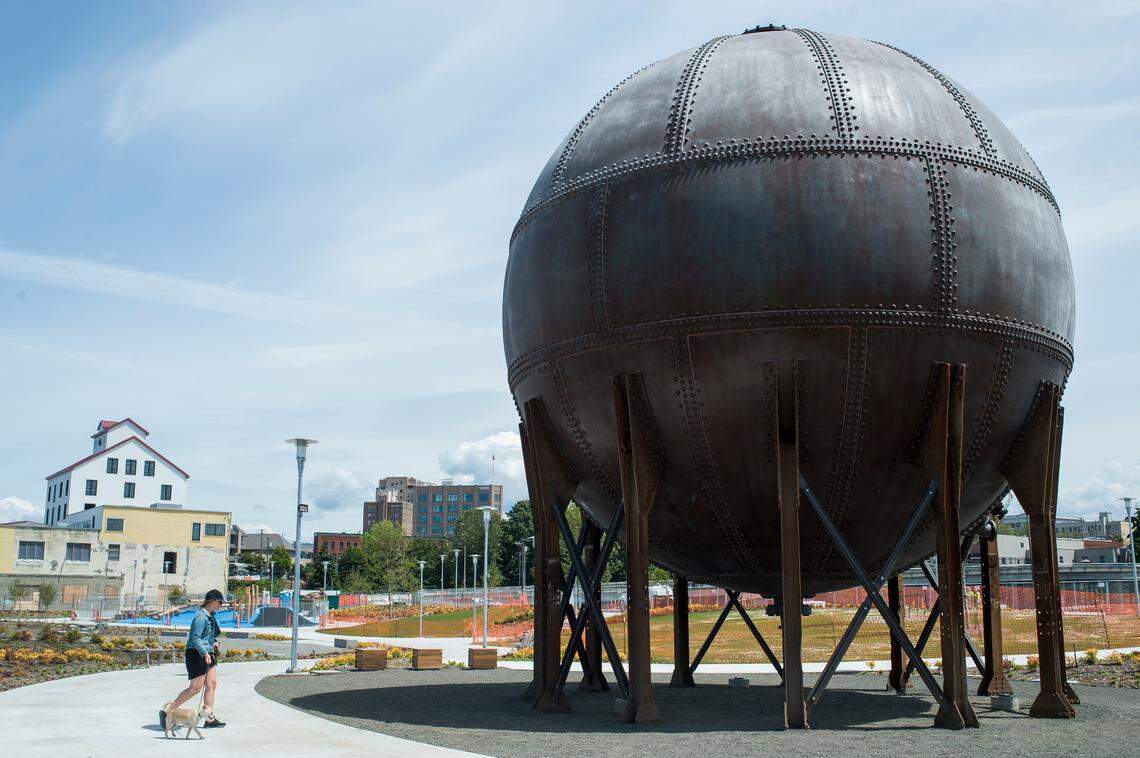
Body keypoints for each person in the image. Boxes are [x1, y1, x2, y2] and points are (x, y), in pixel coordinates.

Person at [160, 589, 226, 730]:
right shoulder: (200, 617)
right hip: (196, 653)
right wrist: (204, 652)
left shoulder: (211, 616)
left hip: (207, 652)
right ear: (213, 601)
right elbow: (195, 638)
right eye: (220, 602)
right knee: (195, 688)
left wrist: (213, 642)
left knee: (212, 684)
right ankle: (168, 712)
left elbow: (205, 637)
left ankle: (209, 718)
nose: (221, 605)